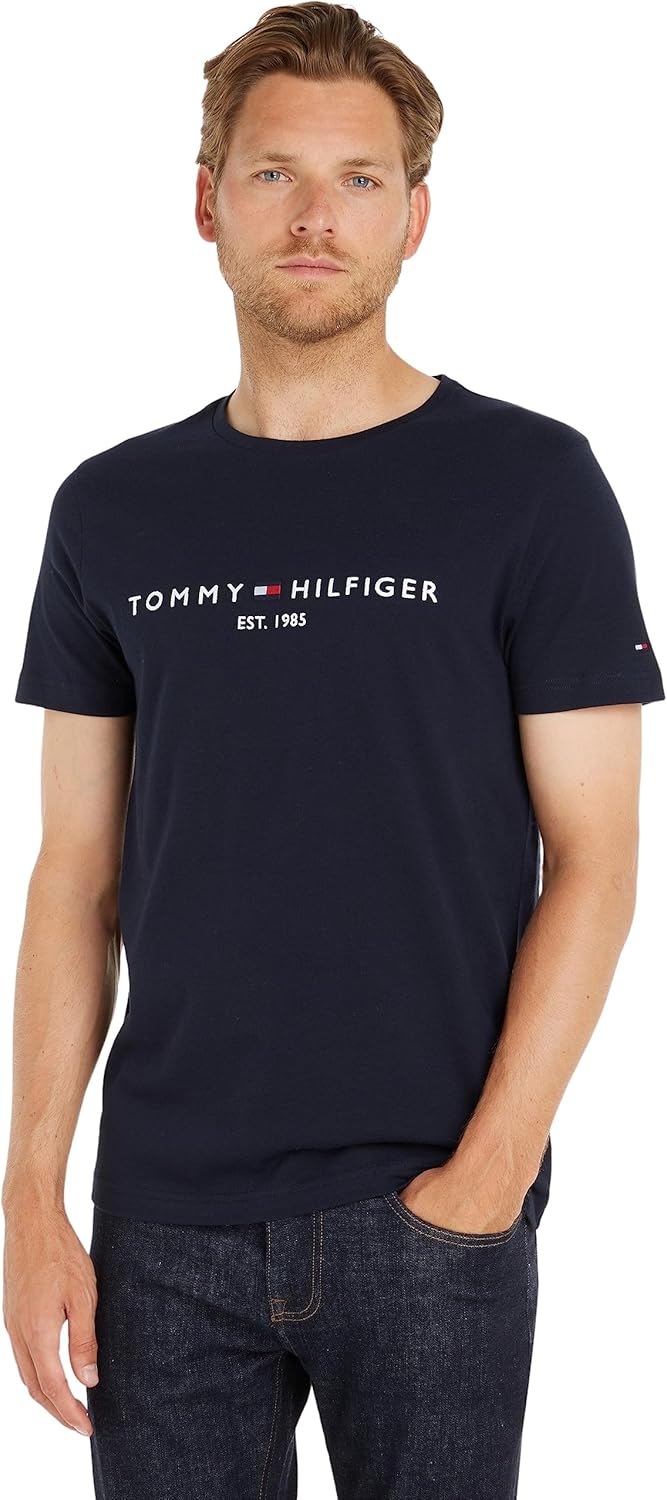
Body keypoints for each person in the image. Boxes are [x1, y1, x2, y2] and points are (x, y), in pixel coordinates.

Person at [3, 4, 664, 1496]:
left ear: (416, 216)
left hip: (428, 1206)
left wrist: (488, 1177)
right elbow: (73, 875)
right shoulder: (111, 509)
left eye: (360, 179)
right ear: (206, 202)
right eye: (275, 174)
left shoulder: (532, 483)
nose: (316, 216)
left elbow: (600, 861)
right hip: (162, 1225)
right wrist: (31, 1196)